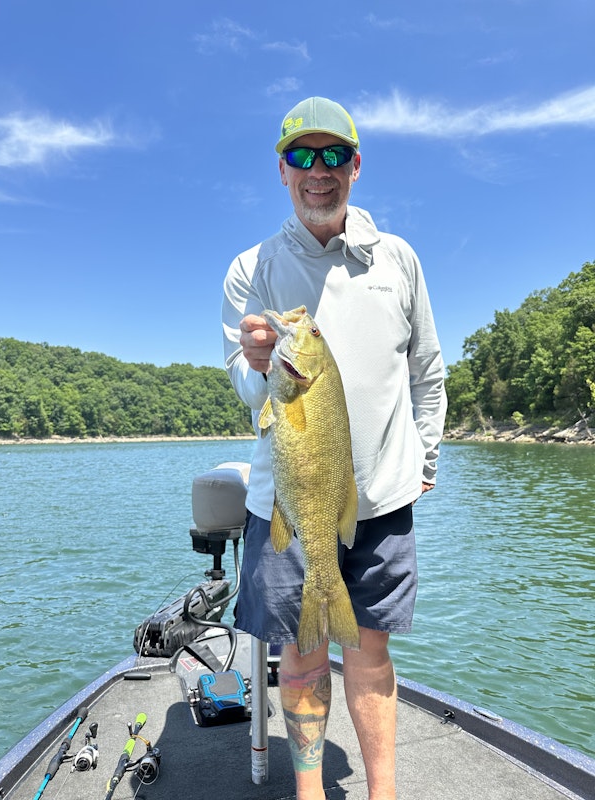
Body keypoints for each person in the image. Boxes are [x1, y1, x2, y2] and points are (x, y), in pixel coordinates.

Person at [222, 96, 447, 800]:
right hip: (288, 500)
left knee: (371, 654)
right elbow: (247, 391)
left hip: (382, 496)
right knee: (302, 652)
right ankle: (311, 793)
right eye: (301, 155)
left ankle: (384, 794)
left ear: (355, 165)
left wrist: (426, 460)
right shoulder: (251, 268)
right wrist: (257, 363)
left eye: (332, 155)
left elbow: (427, 371)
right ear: (281, 170)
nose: (317, 171)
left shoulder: (397, 259)